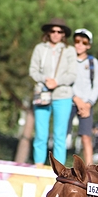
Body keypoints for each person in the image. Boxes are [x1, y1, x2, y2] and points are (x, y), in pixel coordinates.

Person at [28, 17, 75, 166]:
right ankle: (39, 165)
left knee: (59, 135)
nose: (55, 34)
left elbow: (72, 74)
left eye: (59, 31)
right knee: (40, 134)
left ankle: (59, 169)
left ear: (63, 34)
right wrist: (45, 79)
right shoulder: (40, 49)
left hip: (63, 96)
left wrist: (57, 82)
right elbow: (33, 70)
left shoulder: (69, 50)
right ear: (48, 32)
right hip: (43, 94)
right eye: (53, 31)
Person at [68, 28, 98, 165]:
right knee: (62, 134)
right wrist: (76, 99)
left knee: (86, 137)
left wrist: (87, 104)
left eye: (84, 42)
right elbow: (65, 82)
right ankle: (59, 164)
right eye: (77, 41)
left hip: (87, 104)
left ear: (89, 45)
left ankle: (89, 168)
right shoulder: (68, 60)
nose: (80, 44)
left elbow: (96, 85)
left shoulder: (93, 63)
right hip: (69, 101)